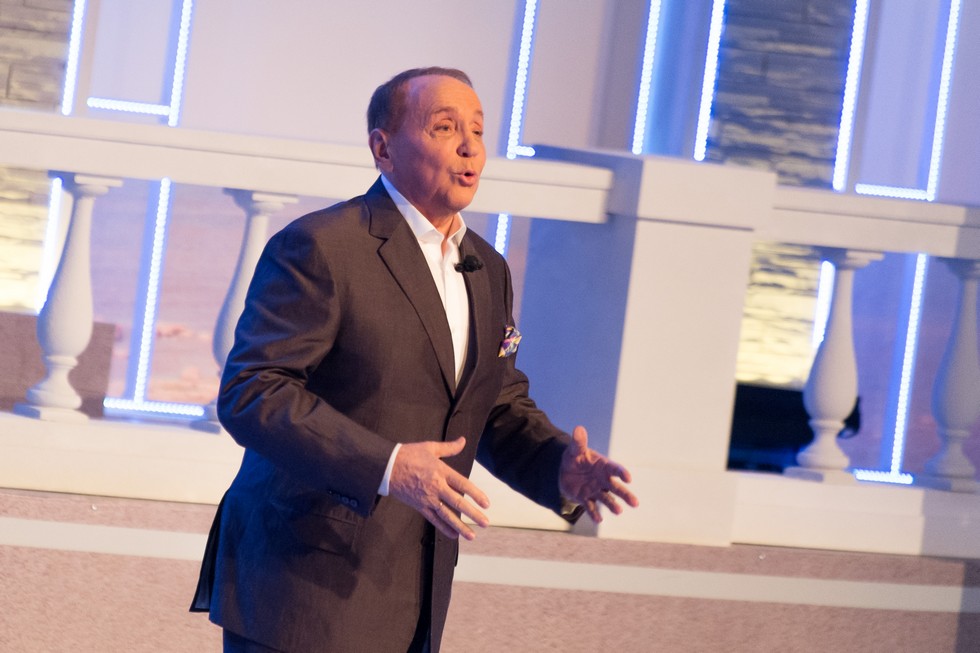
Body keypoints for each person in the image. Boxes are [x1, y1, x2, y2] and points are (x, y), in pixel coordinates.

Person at [190, 66, 639, 653]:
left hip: (411, 589)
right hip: (303, 584)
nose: (469, 146)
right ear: (383, 148)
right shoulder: (324, 246)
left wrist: (557, 467)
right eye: (444, 127)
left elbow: (495, 404)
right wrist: (388, 465)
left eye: (477, 129)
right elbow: (252, 392)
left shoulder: (488, 268)